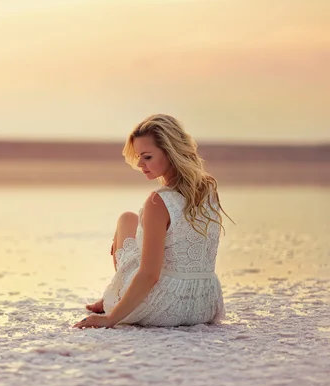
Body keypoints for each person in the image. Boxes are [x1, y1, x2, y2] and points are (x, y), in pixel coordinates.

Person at [73, 114, 233, 329]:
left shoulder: (159, 201)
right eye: (139, 156)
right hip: (206, 303)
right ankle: (115, 293)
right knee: (134, 222)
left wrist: (111, 319)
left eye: (147, 157)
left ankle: (118, 297)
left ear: (171, 153)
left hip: (166, 305)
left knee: (125, 220)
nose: (140, 164)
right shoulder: (209, 191)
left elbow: (150, 275)